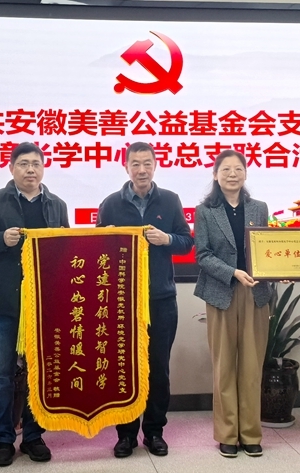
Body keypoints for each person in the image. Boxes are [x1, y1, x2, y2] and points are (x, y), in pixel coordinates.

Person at [0, 142, 69, 467]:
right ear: (12, 168)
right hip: (4, 303)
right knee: (2, 374)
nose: (30, 170)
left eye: (36, 163)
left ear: (43, 168)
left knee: (40, 373)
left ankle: (34, 437)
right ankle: (4, 439)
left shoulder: (57, 205)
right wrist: (0, 239)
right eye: (23, 164)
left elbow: (67, 250)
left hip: (43, 304)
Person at [96, 141, 194, 458]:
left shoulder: (170, 200)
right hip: (121, 302)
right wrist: (107, 239)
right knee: (123, 368)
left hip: (161, 298)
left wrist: (167, 239)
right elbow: (95, 251)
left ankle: (154, 432)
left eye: (147, 163)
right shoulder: (111, 204)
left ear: (155, 165)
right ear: (126, 167)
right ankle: (125, 435)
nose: (142, 169)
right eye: (135, 164)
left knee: (158, 369)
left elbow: (186, 241)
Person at [193, 150, 272, 458]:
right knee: (224, 367)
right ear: (215, 175)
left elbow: (266, 249)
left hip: (255, 294)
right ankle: (227, 434)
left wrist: (279, 270)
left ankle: (251, 434)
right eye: (225, 169)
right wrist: (233, 272)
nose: (232, 174)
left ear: (245, 174)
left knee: (252, 367)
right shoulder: (205, 211)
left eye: (238, 169)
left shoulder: (259, 208)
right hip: (221, 293)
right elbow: (202, 255)